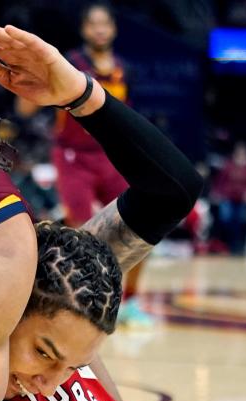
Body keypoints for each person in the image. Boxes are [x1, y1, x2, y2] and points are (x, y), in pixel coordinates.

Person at [24, 2, 152, 327]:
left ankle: (132, 302)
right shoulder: (69, 64)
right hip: (73, 156)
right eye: (93, 24)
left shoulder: (125, 69)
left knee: (142, 226)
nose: (99, 30)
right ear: (84, 30)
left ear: (113, 29)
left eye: (104, 24)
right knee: (83, 229)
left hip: (112, 155)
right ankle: (79, 302)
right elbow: (26, 109)